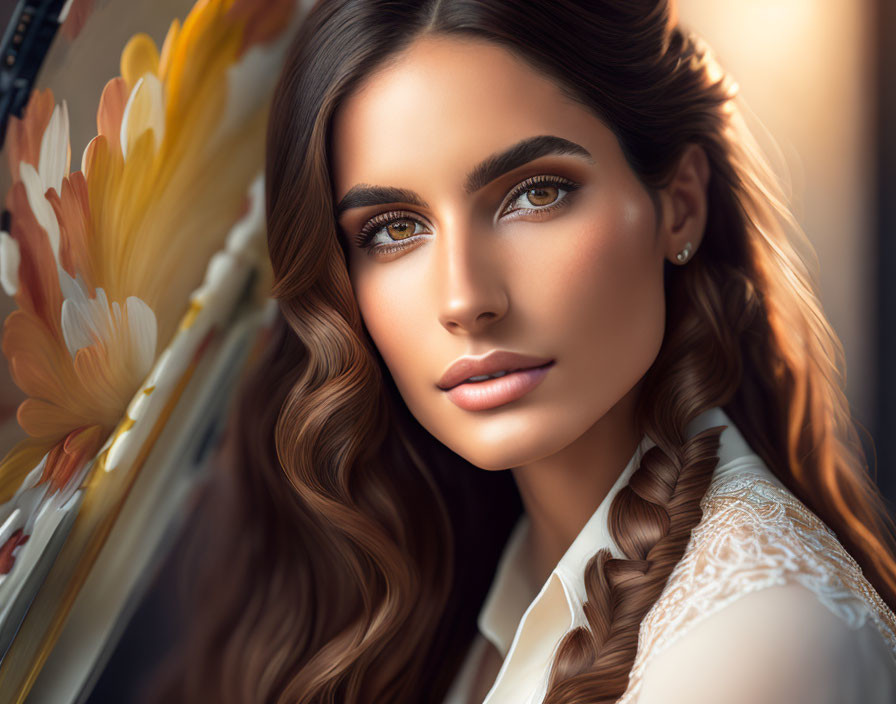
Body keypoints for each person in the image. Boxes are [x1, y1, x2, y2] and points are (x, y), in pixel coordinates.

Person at [145, 1, 896, 702]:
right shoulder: (452, 569)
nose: (465, 297)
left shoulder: (761, 641)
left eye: (535, 193)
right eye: (393, 229)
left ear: (679, 205)